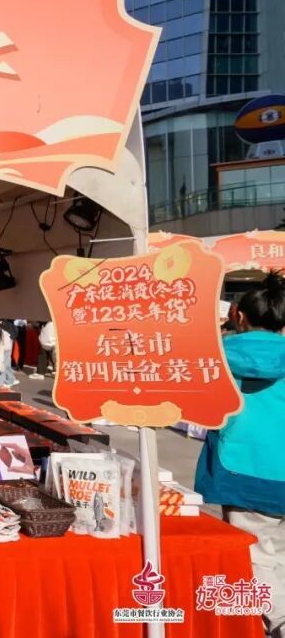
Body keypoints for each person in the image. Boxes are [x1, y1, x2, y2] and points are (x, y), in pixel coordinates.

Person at [195, 271, 285, 638]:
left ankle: (275, 623)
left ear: (240, 315)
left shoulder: (217, 355)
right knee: (278, 556)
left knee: (255, 556)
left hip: (242, 467)